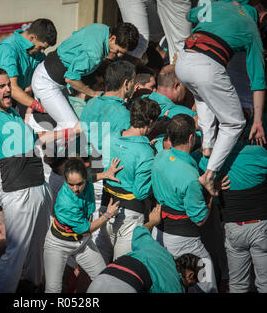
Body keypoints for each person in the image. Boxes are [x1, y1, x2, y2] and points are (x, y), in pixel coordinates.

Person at [0, 37, 80, 292]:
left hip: (39, 188)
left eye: (9, 85)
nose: (8, 90)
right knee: (16, 254)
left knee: (40, 249)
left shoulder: (15, 115)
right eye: (2, 87)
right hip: (19, 192)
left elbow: (38, 140)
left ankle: (33, 290)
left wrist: (70, 132)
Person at [175, 0, 267, 196]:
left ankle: (207, 148)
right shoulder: (252, 29)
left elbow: (189, 15)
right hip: (207, 66)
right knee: (234, 124)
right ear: (262, 16)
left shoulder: (218, 6)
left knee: (202, 97)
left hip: (182, 61)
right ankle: (209, 175)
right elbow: (258, 81)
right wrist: (257, 120)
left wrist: (216, 13)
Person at [151, 114, 218, 293]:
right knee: (207, 281)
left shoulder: (160, 157)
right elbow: (200, 219)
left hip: (158, 234)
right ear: (191, 138)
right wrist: (210, 194)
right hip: (184, 240)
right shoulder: (190, 179)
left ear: (170, 138)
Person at [32, 22, 139, 130]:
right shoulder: (94, 54)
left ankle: (40, 134)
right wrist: (92, 93)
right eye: (118, 51)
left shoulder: (101, 28)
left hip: (49, 73)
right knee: (72, 127)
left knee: (58, 119)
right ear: (112, 38)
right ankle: (42, 144)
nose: (119, 56)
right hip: (46, 83)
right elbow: (71, 78)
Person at [195, 139, 267, 292]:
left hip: (234, 228)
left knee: (237, 284)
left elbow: (201, 172)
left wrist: (215, 185)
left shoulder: (212, 159)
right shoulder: (258, 152)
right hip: (260, 227)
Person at [43, 157, 121, 293]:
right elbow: (86, 230)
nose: (75, 189)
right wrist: (108, 215)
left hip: (81, 244)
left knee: (103, 279)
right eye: (70, 184)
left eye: (79, 184)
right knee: (53, 289)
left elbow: (92, 177)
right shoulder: (66, 202)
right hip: (58, 244)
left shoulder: (87, 179)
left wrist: (106, 174)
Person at [97, 98, 160, 263]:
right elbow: (141, 192)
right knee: (122, 268)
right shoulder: (146, 152)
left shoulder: (109, 137)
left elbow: (103, 169)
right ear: (151, 122)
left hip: (105, 207)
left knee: (97, 265)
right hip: (129, 215)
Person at [88, 205, 203, 293]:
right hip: (126, 287)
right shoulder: (174, 287)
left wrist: (152, 221)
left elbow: (139, 231)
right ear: (190, 275)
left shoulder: (158, 250)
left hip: (100, 280)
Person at [0, 18, 57, 113]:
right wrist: (41, 108)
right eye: (41, 47)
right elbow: (12, 88)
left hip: (11, 102)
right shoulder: (8, 49)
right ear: (32, 38)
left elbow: (50, 75)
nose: (42, 52)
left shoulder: (37, 52)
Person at [80, 60, 136, 170]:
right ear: (126, 83)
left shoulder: (91, 102)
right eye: (134, 81)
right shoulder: (123, 114)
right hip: (104, 168)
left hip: (85, 163)